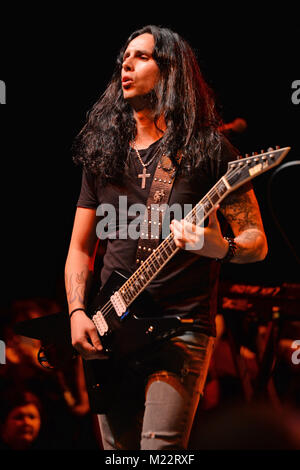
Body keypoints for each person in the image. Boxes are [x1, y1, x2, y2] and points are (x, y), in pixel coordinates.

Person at [65, 25, 268, 450]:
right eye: (125, 56)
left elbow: (256, 241)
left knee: (161, 453)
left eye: (142, 56)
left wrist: (221, 248)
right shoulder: (103, 153)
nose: (127, 63)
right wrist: (76, 312)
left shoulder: (210, 150)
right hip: (110, 324)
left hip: (182, 326)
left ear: (171, 70)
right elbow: (80, 249)